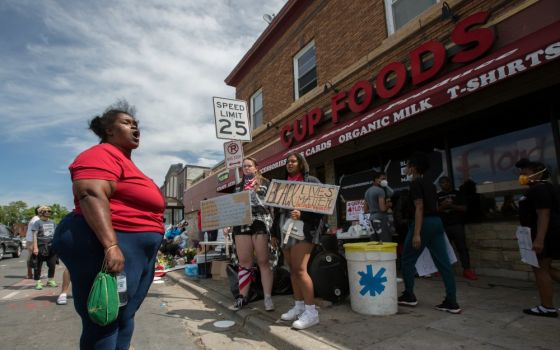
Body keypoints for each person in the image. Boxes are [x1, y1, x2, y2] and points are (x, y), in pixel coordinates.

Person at [52, 100, 165, 349]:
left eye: (136, 124)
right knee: (104, 318)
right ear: (109, 131)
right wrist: (111, 245)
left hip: (135, 248)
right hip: (106, 242)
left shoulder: (125, 162)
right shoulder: (100, 154)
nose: (135, 128)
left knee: (125, 315)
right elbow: (90, 192)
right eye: (126, 123)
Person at [398, 152, 461, 314]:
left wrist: (417, 233)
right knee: (444, 263)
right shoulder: (431, 185)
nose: (406, 169)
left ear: (413, 167)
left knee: (406, 259)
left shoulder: (415, 183)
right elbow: (433, 206)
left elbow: (419, 207)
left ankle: (409, 295)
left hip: (422, 223)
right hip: (437, 223)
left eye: (408, 166)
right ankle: (452, 301)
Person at [273, 152, 325, 330]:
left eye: (293, 161)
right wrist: (274, 233)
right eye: (287, 161)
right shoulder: (282, 186)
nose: (289, 163)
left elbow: (323, 209)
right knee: (292, 270)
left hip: (304, 230)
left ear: (302, 164)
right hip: (284, 230)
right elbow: (277, 212)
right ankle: (299, 306)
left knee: (301, 270)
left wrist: (303, 214)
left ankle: (312, 313)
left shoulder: (312, 182)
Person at [515, 158, 560, 317]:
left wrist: (539, 239)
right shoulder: (538, 189)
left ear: (538, 174)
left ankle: (547, 307)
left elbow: (544, 214)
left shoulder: (540, 189)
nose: (521, 176)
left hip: (545, 235)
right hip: (541, 234)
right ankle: (547, 306)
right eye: (521, 173)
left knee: (540, 269)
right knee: (546, 268)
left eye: (525, 173)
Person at [231, 157, 276, 311]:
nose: (246, 168)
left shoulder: (266, 183)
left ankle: (268, 297)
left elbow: (273, 206)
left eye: (249, 166)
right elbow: (233, 207)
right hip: (241, 224)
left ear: (256, 167)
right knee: (244, 262)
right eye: (244, 166)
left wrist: (274, 228)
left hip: (261, 223)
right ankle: (242, 297)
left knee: (263, 261)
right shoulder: (238, 186)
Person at [437, 176, 477, 280]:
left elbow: (464, 208)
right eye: (441, 183)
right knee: (444, 249)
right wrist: (443, 206)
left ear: (449, 183)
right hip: (444, 225)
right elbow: (435, 210)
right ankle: (444, 270)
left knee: (462, 248)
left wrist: (452, 205)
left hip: (457, 224)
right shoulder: (438, 196)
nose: (443, 185)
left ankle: (467, 270)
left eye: (445, 182)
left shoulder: (458, 193)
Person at [31, 205, 57, 290]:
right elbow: (34, 235)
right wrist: (35, 247)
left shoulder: (53, 222)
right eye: (46, 211)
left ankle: (50, 280)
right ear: (41, 212)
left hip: (51, 247)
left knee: (52, 264)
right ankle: (38, 282)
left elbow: (55, 234)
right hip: (40, 246)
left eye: (49, 211)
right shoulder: (37, 223)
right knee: (38, 265)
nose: (48, 212)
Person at [363, 170, 393, 242]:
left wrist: (374, 210)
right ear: (376, 180)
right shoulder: (380, 191)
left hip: (371, 220)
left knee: (375, 244)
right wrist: (388, 205)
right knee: (386, 243)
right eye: (383, 179)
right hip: (381, 219)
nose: (385, 181)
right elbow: (382, 208)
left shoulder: (367, 192)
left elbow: (365, 210)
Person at [25, 207, 40, 279]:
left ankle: (31, 274)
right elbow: (36, 232)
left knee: (32, 257)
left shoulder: (35, 218)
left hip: (30, 240)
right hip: (32, 241)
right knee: (32, 258)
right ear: (39, 211)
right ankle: (30, 274)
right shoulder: (36, 220)